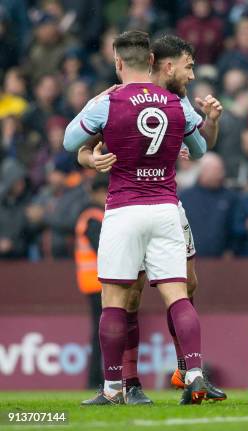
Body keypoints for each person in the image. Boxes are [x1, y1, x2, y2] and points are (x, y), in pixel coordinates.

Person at [77, 34, 226, 402]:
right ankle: (132, 382)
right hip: (158, 206)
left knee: (186, 286)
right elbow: (82, 149)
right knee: (137, 296)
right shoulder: (160, 100)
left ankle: (182, 372)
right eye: (189, 67)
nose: (191, 76)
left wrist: (212, 121)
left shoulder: (127, 98)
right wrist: (89, 159)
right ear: (165, 64)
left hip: (149, 205)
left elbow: (204, 147)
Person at [74, 173, 107, 390]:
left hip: (95, 282)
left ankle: (98, 378)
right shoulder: (93, 216)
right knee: (101, 332)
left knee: (101, 331)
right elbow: (101, 248)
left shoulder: (92, 215)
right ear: (97, 192)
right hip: (97, 283)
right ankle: (96, 379)